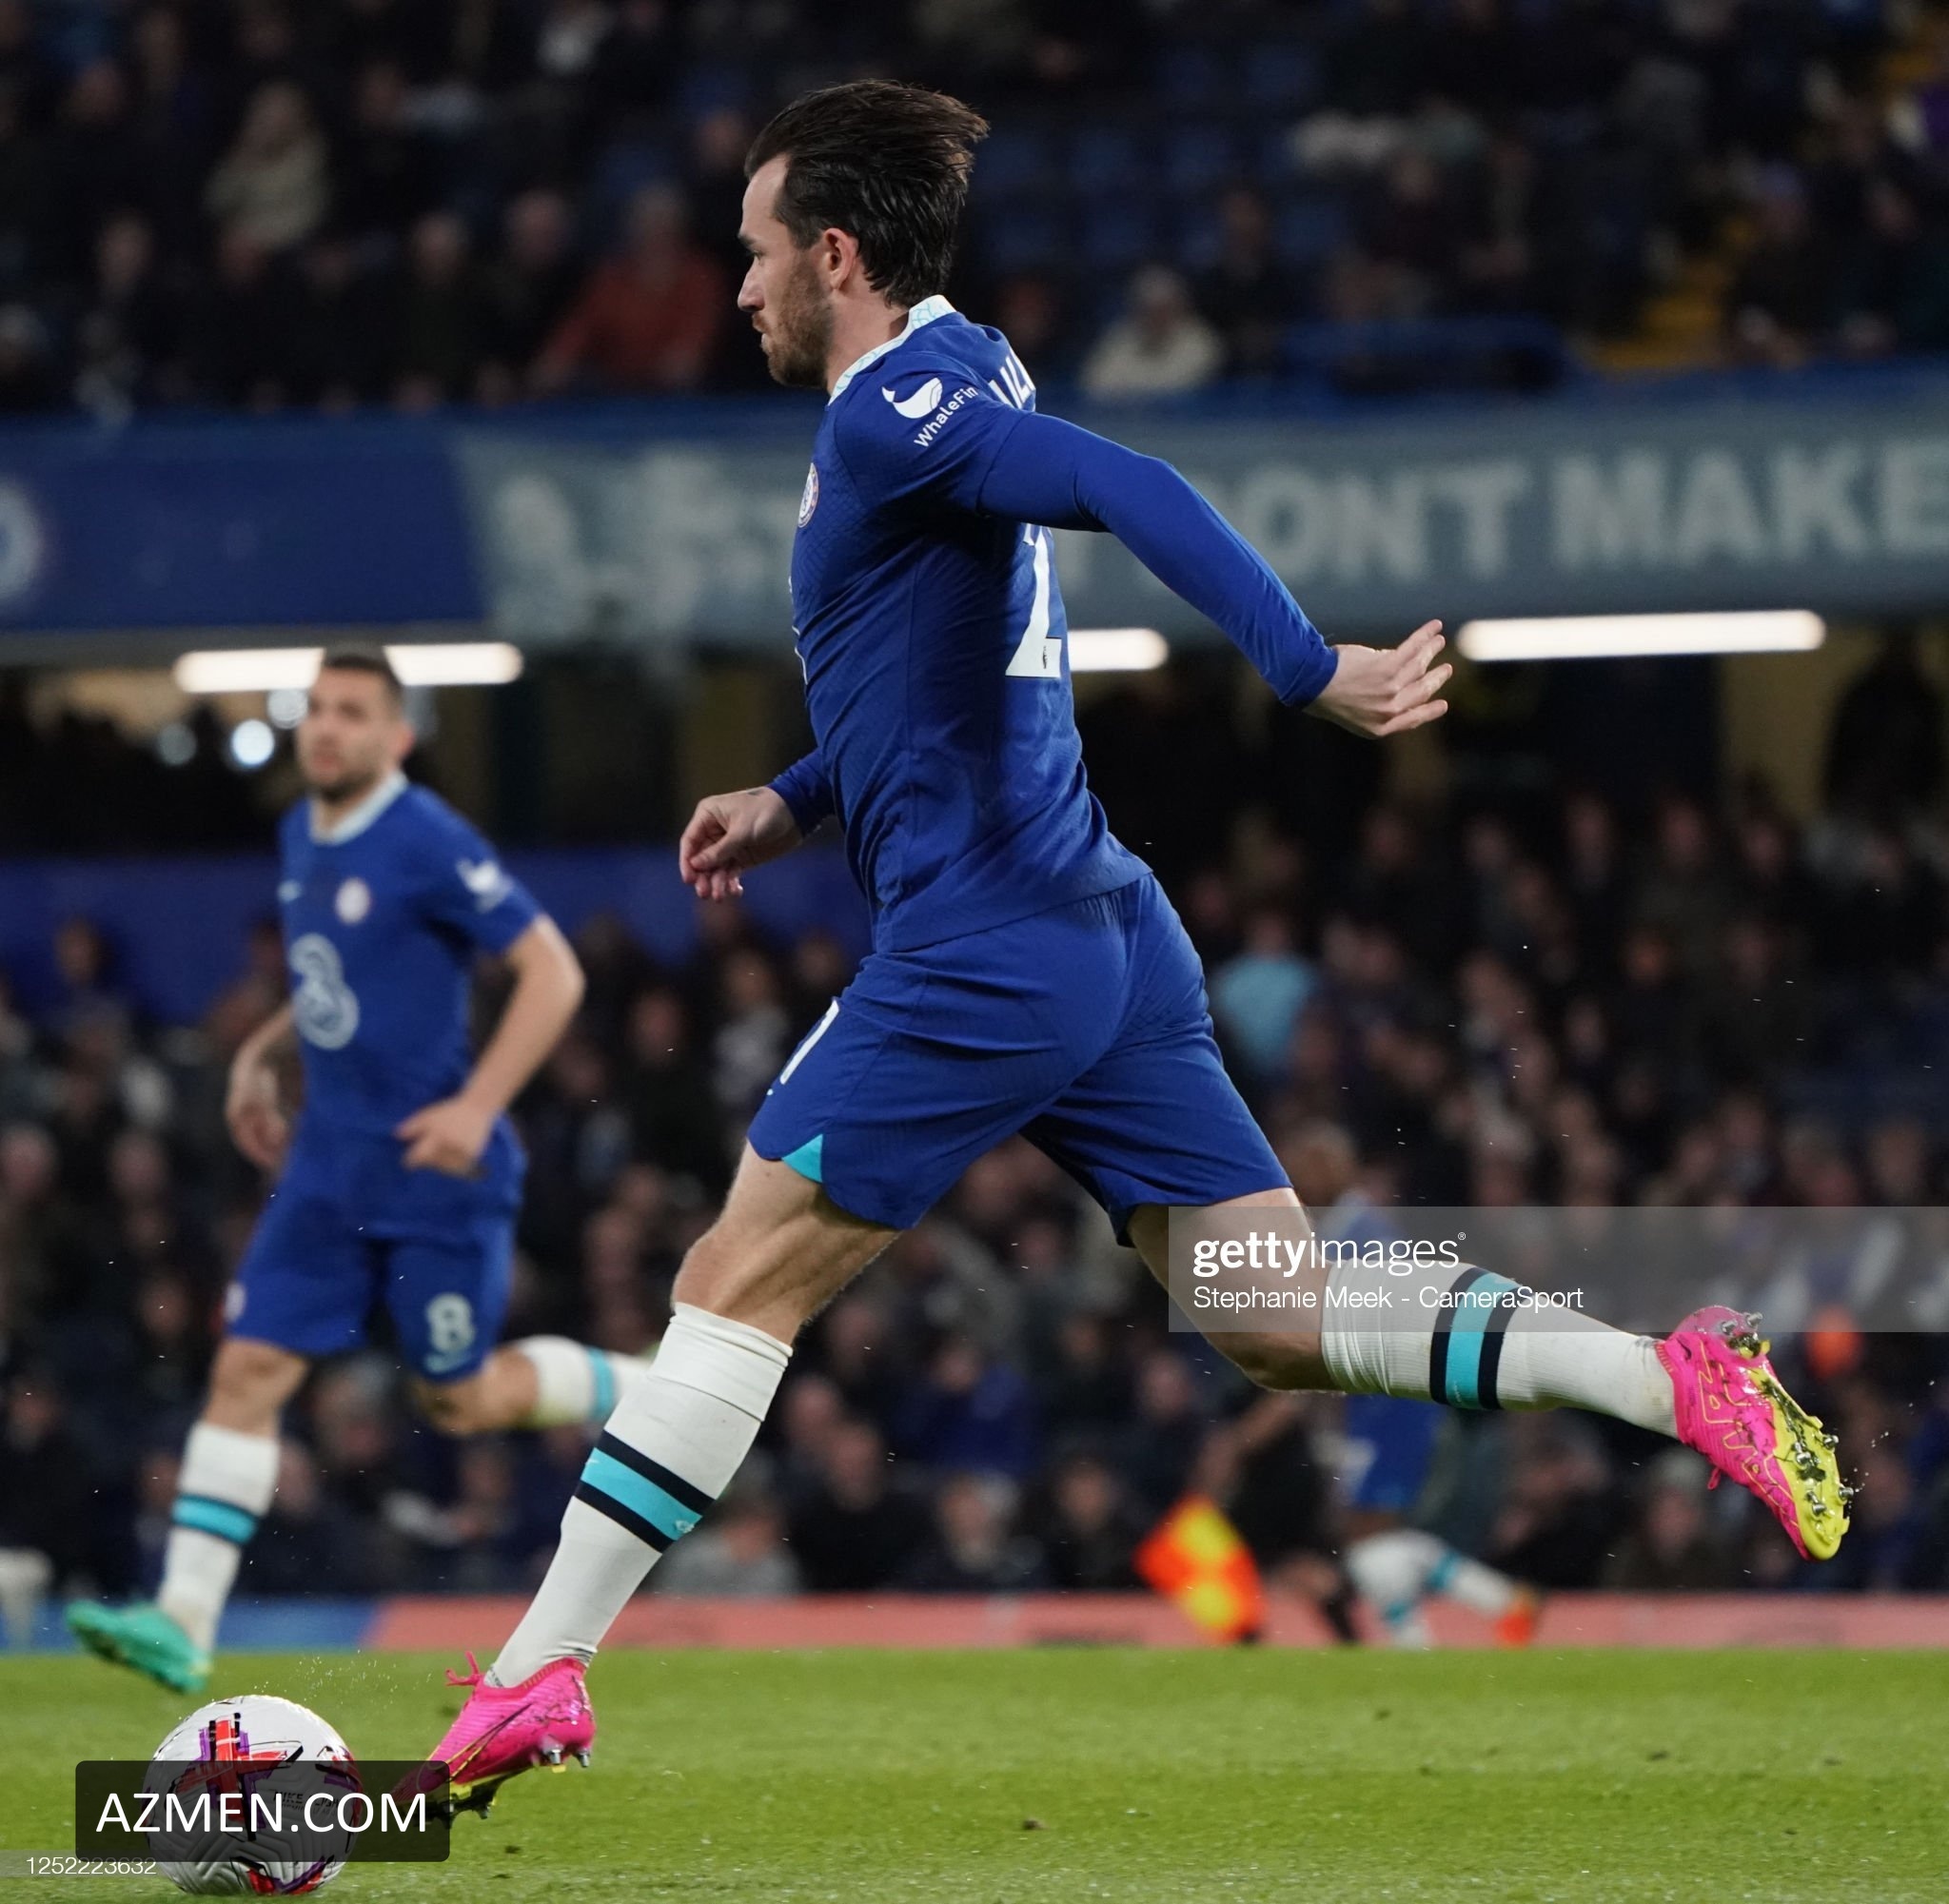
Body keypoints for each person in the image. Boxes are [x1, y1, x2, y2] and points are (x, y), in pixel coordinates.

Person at [418, 80, 1850, 1814]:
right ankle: (1670, 1377)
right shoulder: (966, 369)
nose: (740, 288)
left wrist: (1303, 665)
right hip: (1099, 924)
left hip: (984, 945)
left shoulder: (894, 412)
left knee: (732, 1282)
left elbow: (1128, 480)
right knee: (1271, 1312)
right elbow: (947, 663)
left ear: (837, 254)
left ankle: (535, 1673)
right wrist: (793, 799)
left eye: (756, 252)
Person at [66, 647, 653, 1695]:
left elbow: (551, 970)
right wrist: (263, 1052)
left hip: (435, 1176)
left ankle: (647, 1389)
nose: (327, 728)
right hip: (329, 1171)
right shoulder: (304, 829)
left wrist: (478, 1106)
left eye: (352, 712)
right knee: (248, 1369)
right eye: (318, 709)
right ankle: (182, 1622)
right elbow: (335, 977)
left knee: (460, 1400)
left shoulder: (426, 838)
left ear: (397, 736)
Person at [1283, 1122, 1538, 1648]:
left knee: (1367, 1532)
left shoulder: (1360, 1237)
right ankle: (1479, 1612)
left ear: (1333, 1167)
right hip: (1382, 1402)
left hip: (1390, 1404)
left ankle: (1445, 1626)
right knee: (1374, 1534)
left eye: (1302, 1166)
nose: (1291, 1179)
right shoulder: (1350, 1231)